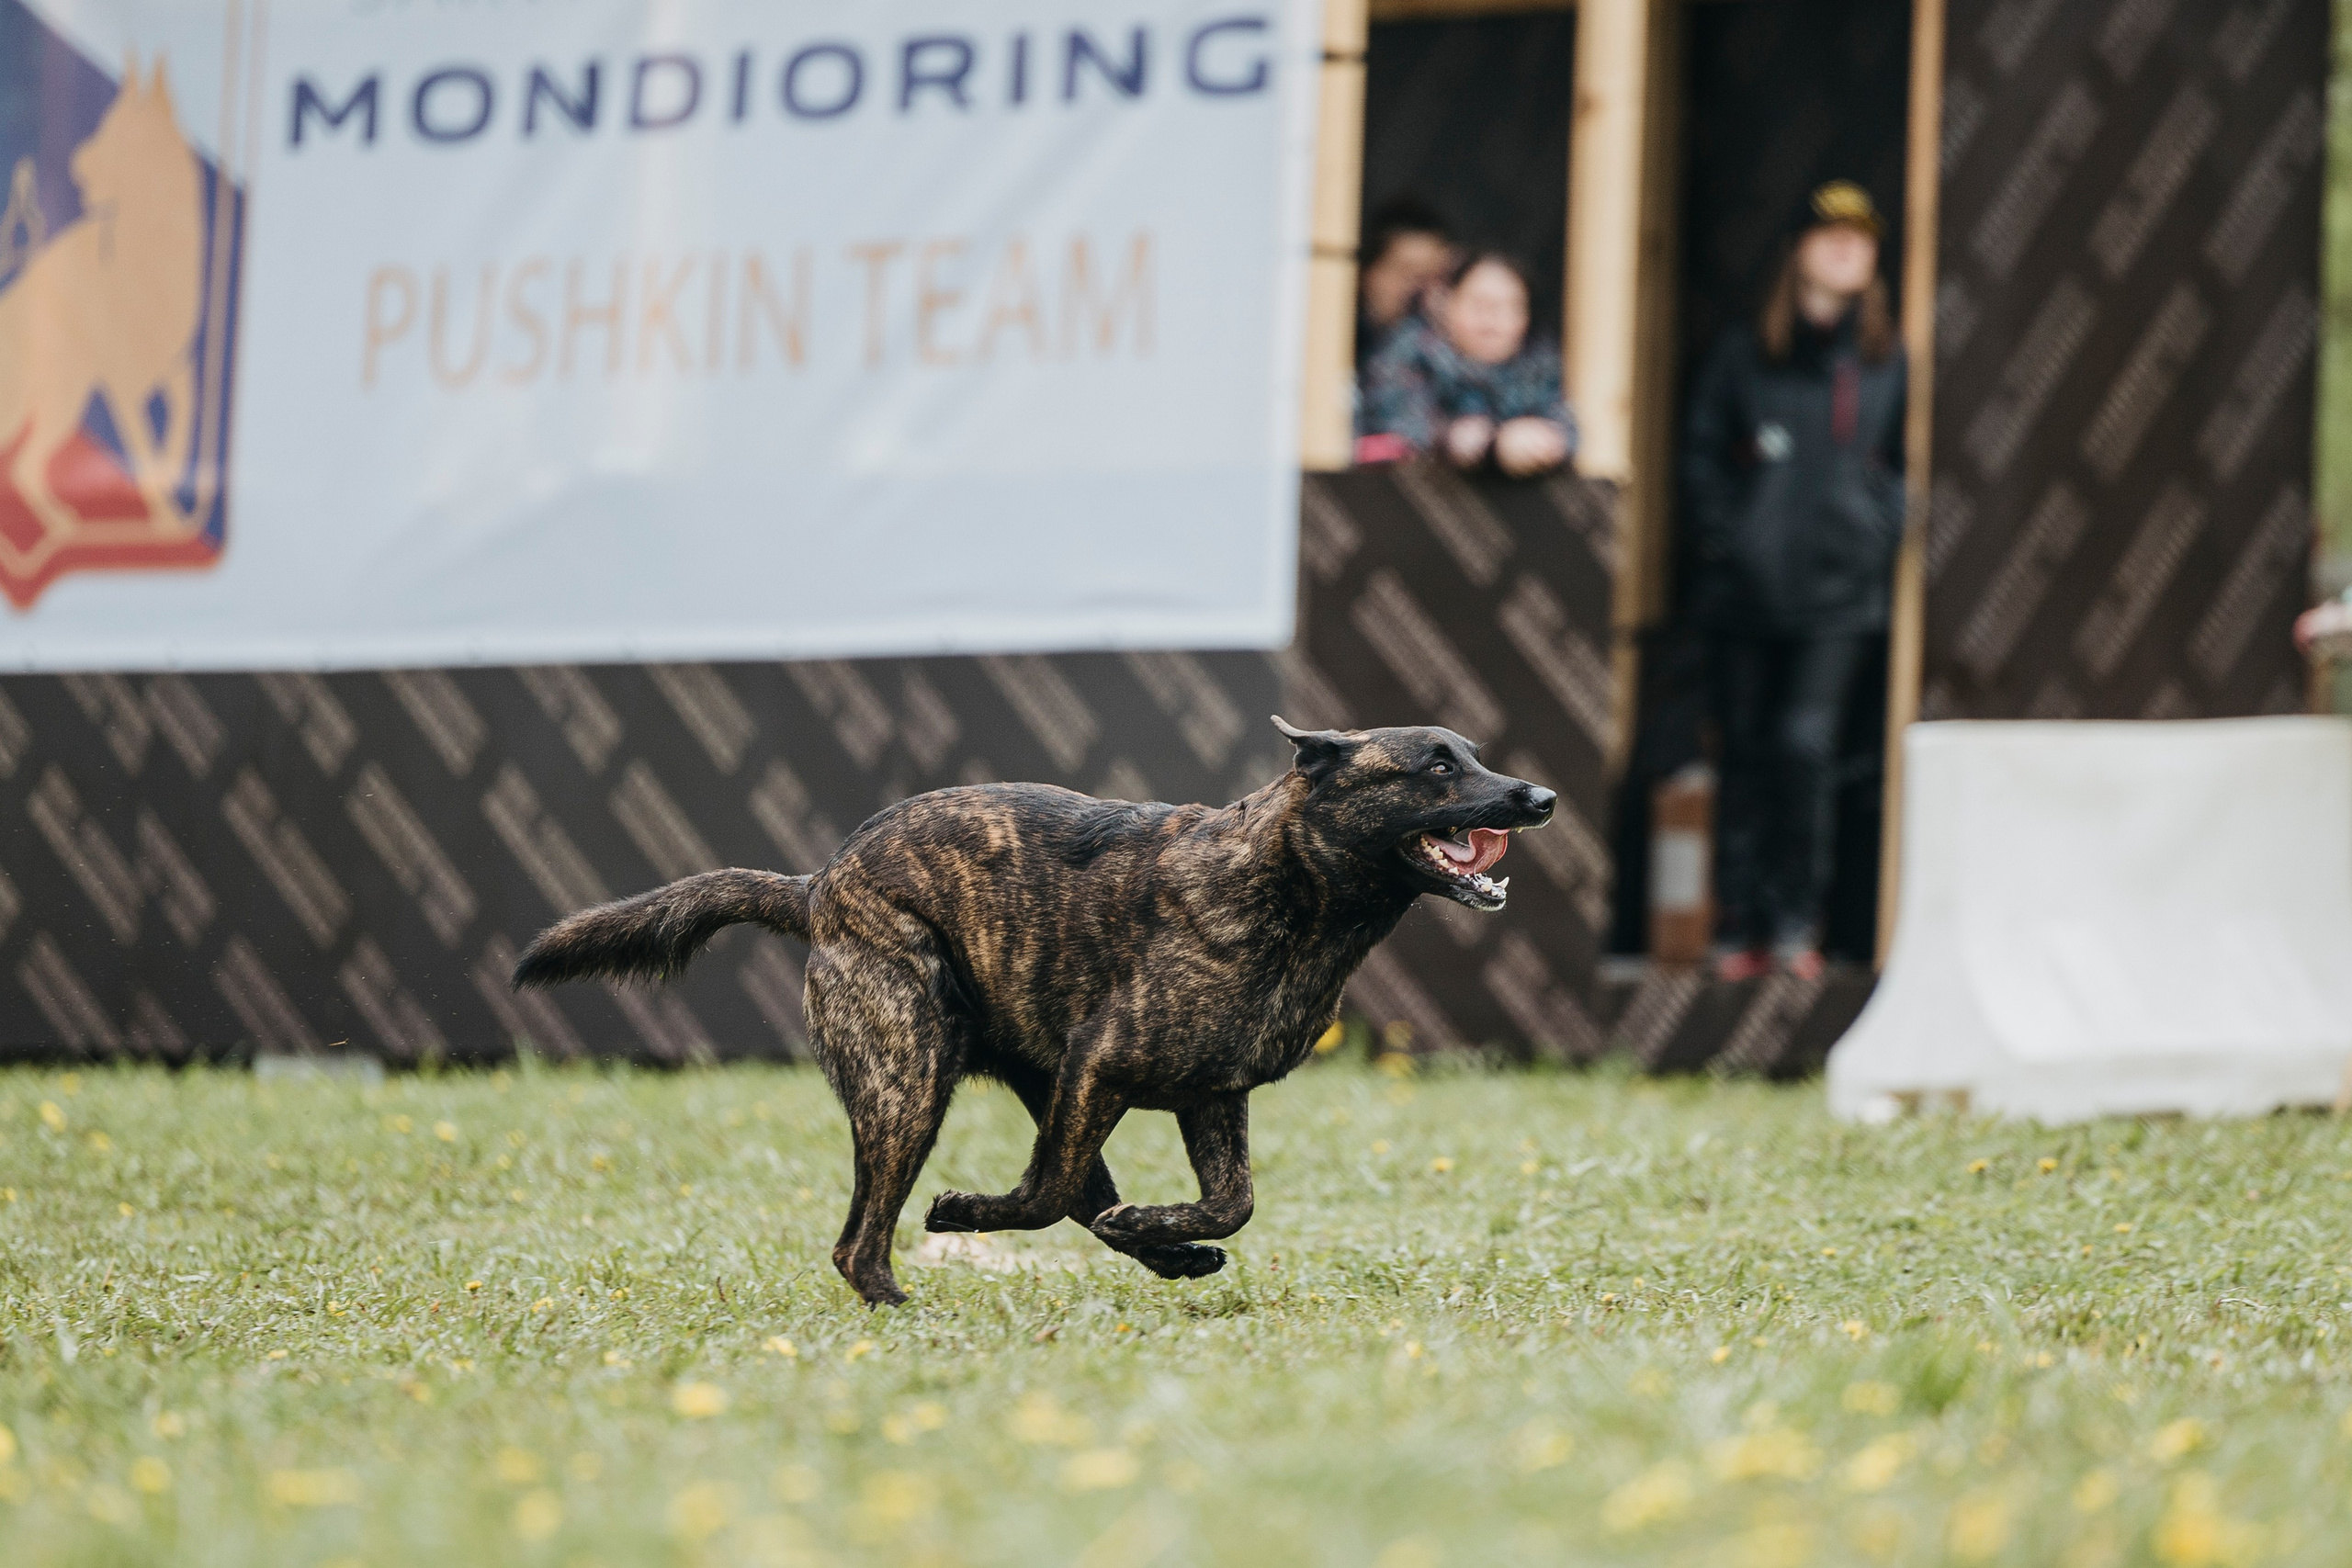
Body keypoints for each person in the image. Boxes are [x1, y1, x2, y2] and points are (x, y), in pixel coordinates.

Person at [1681, 180, 1905, 983]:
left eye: (1862, 235)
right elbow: (1701, 456)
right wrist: (1729, 538)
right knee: (1741, 755)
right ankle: (1734, 924)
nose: (1847, 246)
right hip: (1743, 596)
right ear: (1799, 249)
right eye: (1829, 233)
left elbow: (1910, 466)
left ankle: (1792, 925)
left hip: (1840, 598)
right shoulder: (1748, 353)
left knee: (1805, 748)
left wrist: (1878, 525)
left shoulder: (1888, 358)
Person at [1356, 249, 1577, 475]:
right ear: (1445, 305)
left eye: (1508, 306)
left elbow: (1569, 430)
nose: (1491, 319)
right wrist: (1449, 438)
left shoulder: (1541, 365)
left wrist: (1543, 441)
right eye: (1479, 303)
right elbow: (1396, 426)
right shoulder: (1407, 354)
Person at [1355, 196, 1455, 374]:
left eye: (1430, 275)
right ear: (1367, 273)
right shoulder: (1340, 342)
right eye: (1405, 272)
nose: (1417, 288)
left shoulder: (1448, 356)